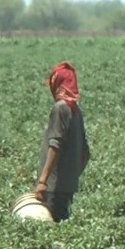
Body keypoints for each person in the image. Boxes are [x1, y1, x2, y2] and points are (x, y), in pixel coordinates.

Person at [35, 61, 90, 222]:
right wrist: (72, 176)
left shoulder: (60, 108)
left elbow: (55, 145)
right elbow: (85, 153)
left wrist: (43, 181)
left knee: (50, 226)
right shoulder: (76, 111)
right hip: (67, 186)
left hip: (53, 186)